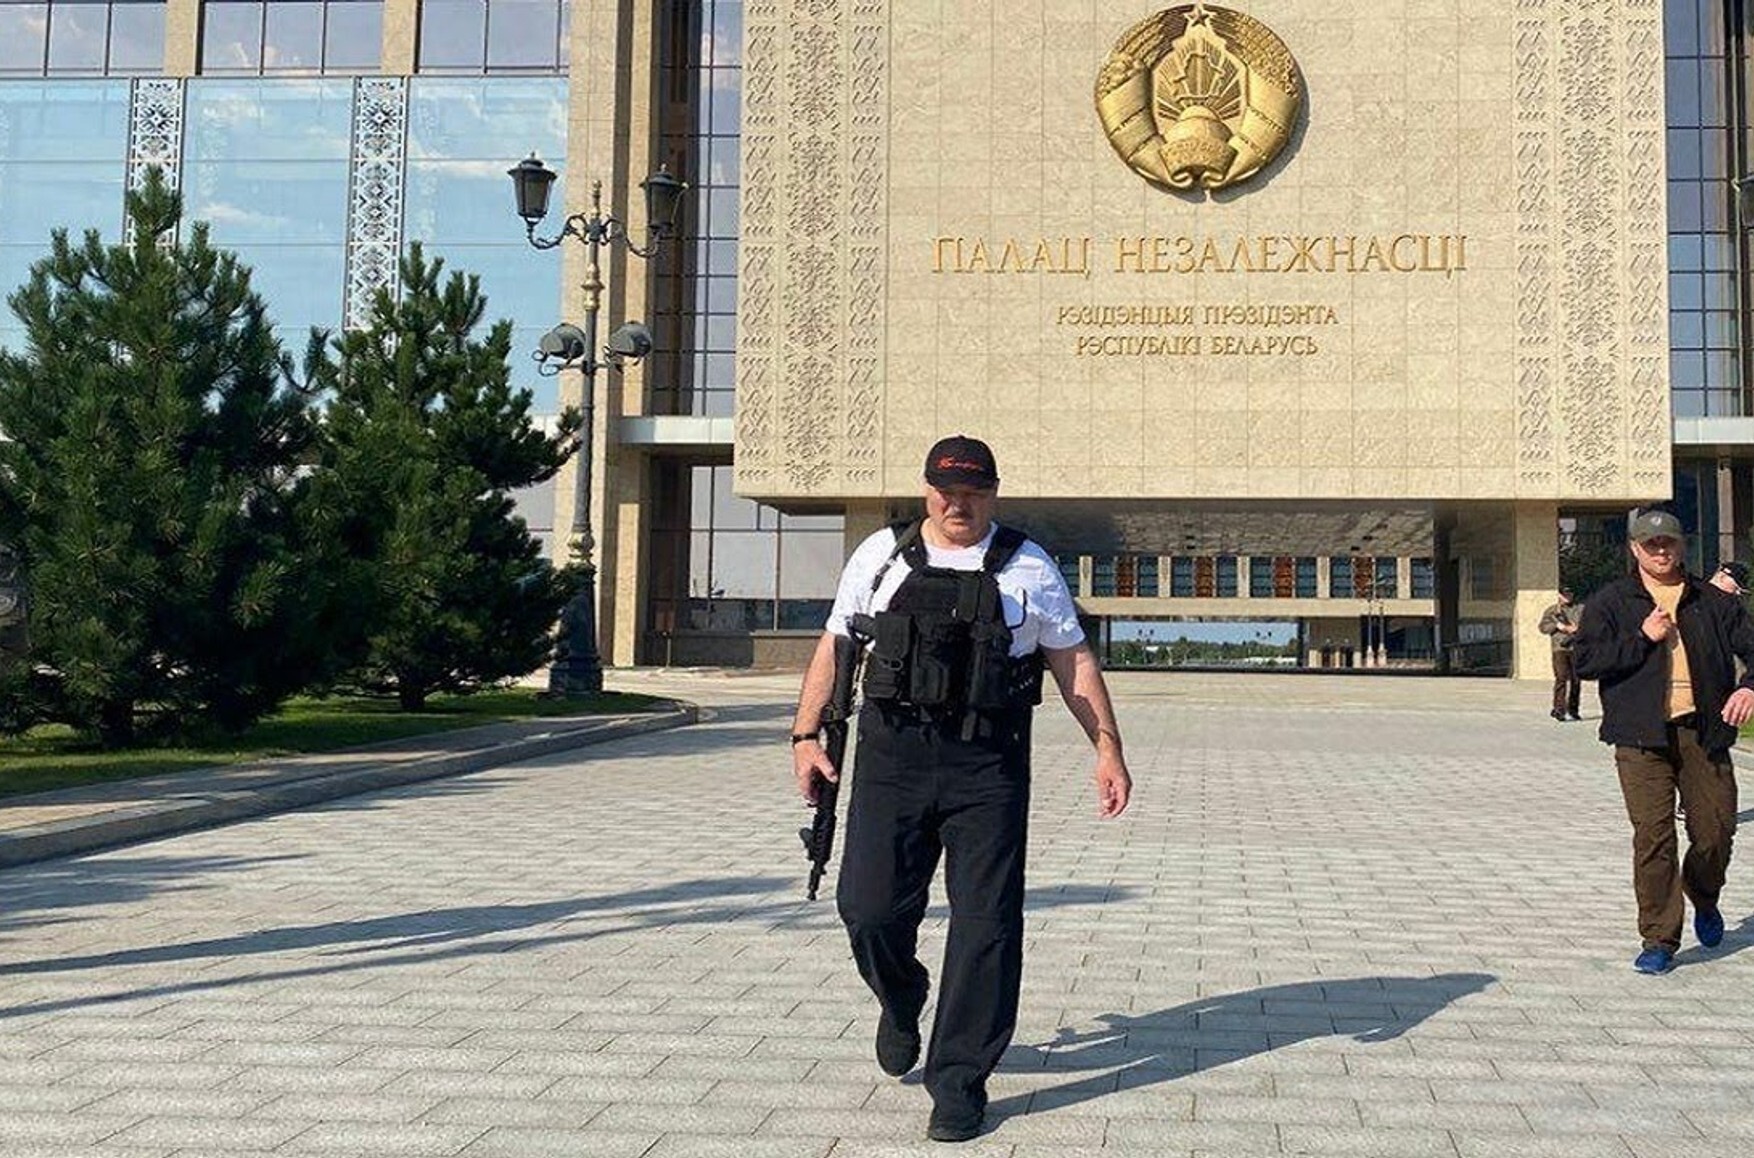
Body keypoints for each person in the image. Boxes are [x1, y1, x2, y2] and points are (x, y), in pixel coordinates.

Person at [790, 434, 1131, 1142]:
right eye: (946, 489)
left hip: (989, 760)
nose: (958, 502)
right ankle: (902, 993)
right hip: (893, 754)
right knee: (868, 907)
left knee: (987, 922)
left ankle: (959, 1081)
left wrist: (1107, 747)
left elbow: (1070, 661)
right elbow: (836, 645)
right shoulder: (880, 556)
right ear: (926, 491)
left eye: (973, 490)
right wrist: (805, 736)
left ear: (993, 494)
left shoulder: (1029, 566)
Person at [1571, 507, 1754, 974]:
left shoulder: (1713, 601)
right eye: (1650, 545)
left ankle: (1704, 894)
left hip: (1704, 732)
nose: (1661, 551)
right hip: (1639, 738)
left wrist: (1749, 686)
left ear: (1681, 546)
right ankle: (1659, 938)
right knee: (1654, 838)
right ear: (1634, 549)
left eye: (1668, 543)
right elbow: (1585, 662)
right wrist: (1642, 637)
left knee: (1716, 831)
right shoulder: (1613, 602)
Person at [1538, 586, 1583, 721]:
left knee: (1576, 680)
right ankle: (1559, 709)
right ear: (1559, 595)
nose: (1567, 597)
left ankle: (1573, 710)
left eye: (1569, 594)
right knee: (1561, 678)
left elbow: (1590, 624)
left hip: (1576, 648)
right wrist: (1557, 626)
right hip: (1560, 648)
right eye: (1564, 595)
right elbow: (1542, 628)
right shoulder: (1552, 611)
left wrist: (1577, 628)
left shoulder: (1580, 609)